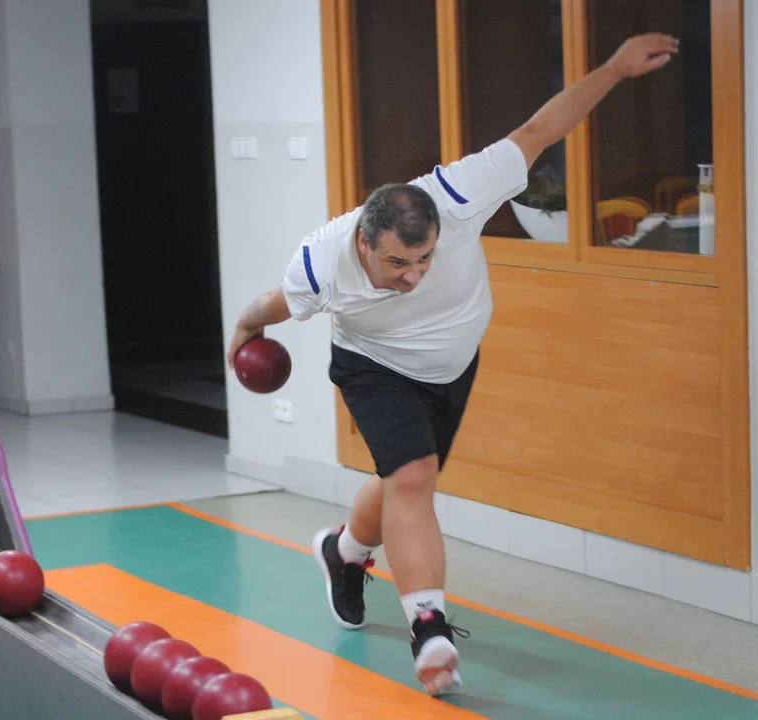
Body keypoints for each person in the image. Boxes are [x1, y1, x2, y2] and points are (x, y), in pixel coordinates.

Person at [227, 33, 679, 696]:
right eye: (395, 265)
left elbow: (541, 127)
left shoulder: (461, 194)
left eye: (425, 260)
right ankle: (429, 630)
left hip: (453, 367)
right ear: (363, 243)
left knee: (401, 479)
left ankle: (344, 552)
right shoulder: (323, 263)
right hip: (374, 365)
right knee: (413, 478)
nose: (413, 277)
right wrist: (243, 329)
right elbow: (274, 302)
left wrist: (612, 68)